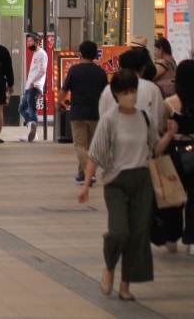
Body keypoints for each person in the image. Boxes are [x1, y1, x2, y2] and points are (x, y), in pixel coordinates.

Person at [80, 70, 179, 301]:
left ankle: (126, 284)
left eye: (133, 91)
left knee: (138, 234)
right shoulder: (109, 119)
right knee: (119, 231)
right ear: (115, 93)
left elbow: (154, 148)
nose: (130, 96)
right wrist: (85, 185)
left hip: (143, 180)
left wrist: (170, 135)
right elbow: (95, 155)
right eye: (125, 91)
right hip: (116, 182)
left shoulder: (145, 117)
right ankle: (110, 267)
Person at [155, 60, 194, 255]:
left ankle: (171, 237)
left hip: (174, 151)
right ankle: (192, 240)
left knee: (173, 196)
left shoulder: (170, 103)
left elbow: (162, 127)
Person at [60, 41, 106, 185]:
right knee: (89, 147)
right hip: (95, 113)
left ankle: (88, 173)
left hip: (78, 113)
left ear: (80, 54)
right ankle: (81, 176)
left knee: (80, 145)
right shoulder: (100, 72)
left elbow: (64, 90)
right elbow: (106, 93)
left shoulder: (75, 70)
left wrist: (57, 103)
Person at [98, 47, 169, 135]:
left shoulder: (109, 89)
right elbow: (159, 115)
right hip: (145, 141)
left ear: (121, 67)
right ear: (143, 68)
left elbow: (103, 116)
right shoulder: (152, 89)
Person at [19, 33, 48, 142]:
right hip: (30, 85)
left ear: (37, 42)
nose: (28, 43)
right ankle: (32, 130)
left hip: (35, 86)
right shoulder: (36, 54)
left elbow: (42, 70)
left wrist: (34, 82)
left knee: (32, 109)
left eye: (30, 41)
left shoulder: (41, 54)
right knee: (22, 108)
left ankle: (33, 134)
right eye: (27, 42)